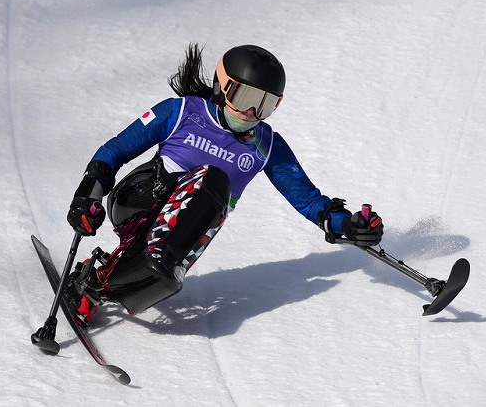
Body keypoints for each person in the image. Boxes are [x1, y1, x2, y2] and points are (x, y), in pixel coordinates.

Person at [64, 43, 384, 324]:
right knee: (214, 179)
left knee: (165, 276)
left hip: (181, 233)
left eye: (264, 104)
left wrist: (348, 224)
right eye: (244, 97)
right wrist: (88, 195)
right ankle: (147, 260)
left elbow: (310, 202)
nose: (251, 112)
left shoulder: (266, 145)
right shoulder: (182, 111)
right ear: (222, 87)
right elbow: (114, 151)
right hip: (139, 200)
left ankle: (96, 284)